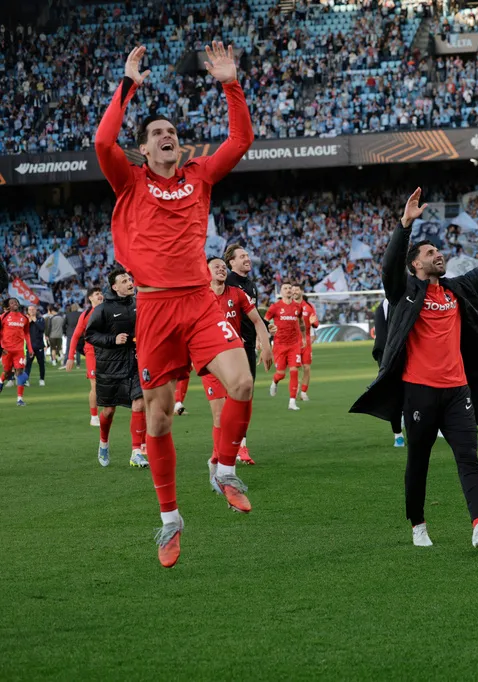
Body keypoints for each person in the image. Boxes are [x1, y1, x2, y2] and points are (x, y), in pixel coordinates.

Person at [95, 43, 256, 568]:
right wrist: (127, 84)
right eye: (158, 133)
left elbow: (240, 140)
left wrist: (231, 84)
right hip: (156, 310)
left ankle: (223, 469)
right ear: (143, 149)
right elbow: (102, 141)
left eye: (173, 132)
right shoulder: (129, 180)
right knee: (159, 421)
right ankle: (170, 521)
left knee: (242, 383)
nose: (169, 136)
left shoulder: (199, 176)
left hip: (199, 303)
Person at [350, 188, 478, 549]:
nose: (438, 254)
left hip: (458, 391)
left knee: (468, 457)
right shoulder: (404, 291)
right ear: (415, 264)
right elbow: (389, 267)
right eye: (430, 253)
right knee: (419, 461)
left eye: (438, 251)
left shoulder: (457, 289)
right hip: (419, 392)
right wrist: (404, 226)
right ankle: (418, 525)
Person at [203, 257, 271, 473]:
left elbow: (257, 320)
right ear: (206, 272)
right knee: (219, 415)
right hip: (210, 361)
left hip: (234, 359)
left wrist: (267, 346)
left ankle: (229, 460)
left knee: (237, 410)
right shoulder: (199, 297)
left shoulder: (237, 294)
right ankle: (218, 459)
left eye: (224, 267)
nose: (221, 269)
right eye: (216, 267)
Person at [85, 268, 149, 469]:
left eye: (130, 279)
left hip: (135, 362)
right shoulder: (103, 309)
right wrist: (113, 339)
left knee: (139, 403)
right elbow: (90, 335)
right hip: (110, 366)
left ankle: (136, 452)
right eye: (124, 281)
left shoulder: (139, 303)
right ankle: (103, 442)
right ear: (114, 287)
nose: (130, 283)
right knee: (109, 410)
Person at [225, 243, 274, 462]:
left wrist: (265, 328)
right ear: (231, 262)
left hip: (248, 347)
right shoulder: (226, 283)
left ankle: (240, 445)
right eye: (242, 256)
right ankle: (228, 445)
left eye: (247, 255)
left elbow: (250, 315)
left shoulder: (251, 286)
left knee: (246, 395)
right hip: (229, 347)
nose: (247, 259)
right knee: (230, 396)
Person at [264, 282, 306, 411]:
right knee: (281, 374)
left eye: (289, 288)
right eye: (285, 288)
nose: (288, 290)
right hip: (279, 345)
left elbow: (301, 322)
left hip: (294, 344)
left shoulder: (297, 307)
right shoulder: (275, 307)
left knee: (294, 371)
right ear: (281, 292)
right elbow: (264, 321)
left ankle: (292, 402)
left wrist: (304, 337)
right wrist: (264, 335)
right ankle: (275, 381)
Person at [67, 288, 104, 426]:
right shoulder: (86, 315)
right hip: (92, 353)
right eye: (97, 294)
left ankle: (107, 412)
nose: (100, 295)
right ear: (90, 298)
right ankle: (94, 416)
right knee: (95, 385)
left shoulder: (109, 311)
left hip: (108, 353)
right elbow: (75, 336)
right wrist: (70, 357)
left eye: (101, 293)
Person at [372, 300, 405, 447]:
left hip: (409, 354)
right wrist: (384, 361)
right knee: (393, 395)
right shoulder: (384, 306)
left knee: (416, 392)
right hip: (389, 357)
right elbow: (380, 339)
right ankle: (398, 434)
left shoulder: (409, 300)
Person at [0, 298, 32, 406]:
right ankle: (1, 381)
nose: (15, 303)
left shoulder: (24, 318)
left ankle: (19, 399)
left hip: (19, 350)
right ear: (8, 306)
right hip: (6, 350)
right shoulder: (3, 317)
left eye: (16, 302)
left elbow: (27, 334)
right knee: (7, 372)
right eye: (12, 302)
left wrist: (30, 349)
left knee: (19, 372)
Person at [298, 288, 319, 401]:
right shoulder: (288, 306)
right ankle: (295, 388)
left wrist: (313, 323)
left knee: (306, 368)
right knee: (294, 368)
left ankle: (303, 392)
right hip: (293, 342)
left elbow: (315, 323)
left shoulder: (309, 307)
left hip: (306, 342)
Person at [24, 304, 47, 386]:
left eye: (33, 309)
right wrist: (29, 322)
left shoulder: (41, 319)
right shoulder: (25, 320)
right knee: (28, 364)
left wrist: (35, 321)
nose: (31, 311)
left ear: (36, 310)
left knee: (41, 363)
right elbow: (22, 330)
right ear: (27, 311)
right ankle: (26, 380)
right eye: (30, 310)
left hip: (39, 345)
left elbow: (42, 329)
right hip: (30, 346)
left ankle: (42, 379)